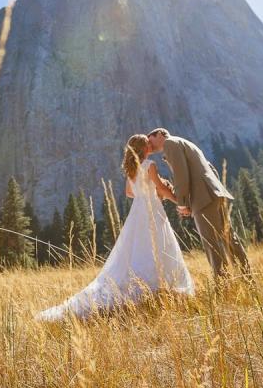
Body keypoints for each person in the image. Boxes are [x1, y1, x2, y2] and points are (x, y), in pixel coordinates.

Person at [35, 134, 194, 321]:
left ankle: (146, 287)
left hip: (138, 210)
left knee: (138, 247)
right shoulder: (149, 165)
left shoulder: (132, 169)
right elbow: (162, 188)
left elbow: (129, 192)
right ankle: (156, 288)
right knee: (157, 245)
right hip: (151, 209)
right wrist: (179, 202)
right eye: (147, 144)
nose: (150, 146)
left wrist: (143, 195)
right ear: (143, 148)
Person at [146, 128, 250, 280]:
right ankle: (247, 277)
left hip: (203, 198)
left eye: (150, 140)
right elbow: (210, 167)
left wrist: (182, 204)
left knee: (211, 242)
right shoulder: (185, 142)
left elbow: (181, 174)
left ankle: (222, 285)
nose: (150, 145)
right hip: (214, 193)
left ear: (160, 134)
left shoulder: (170, 143)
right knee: (229, 238)